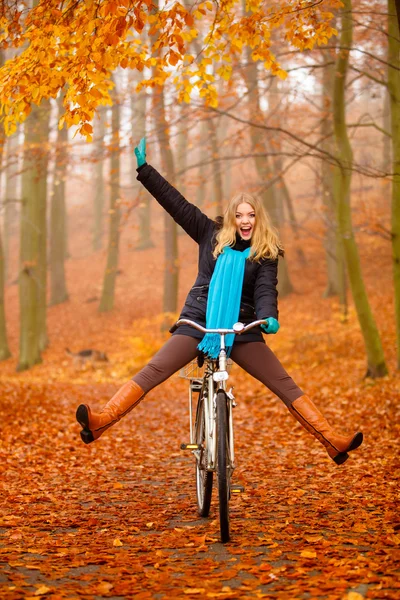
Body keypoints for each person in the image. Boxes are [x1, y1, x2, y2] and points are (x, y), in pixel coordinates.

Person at [76, 138, 363, 466]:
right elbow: (176, 203)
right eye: (239, 215)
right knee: (154, 369)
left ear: (258, 219)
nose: (245, 220)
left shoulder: (265, 253)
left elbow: (266, 290)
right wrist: (145, 170)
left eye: (251, 215)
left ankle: (331, 441)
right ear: (231, 218)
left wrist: (269, 316)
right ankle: (101, 422)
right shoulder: (208, 232)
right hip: (200, 320)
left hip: (242, 328)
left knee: (283, 382)